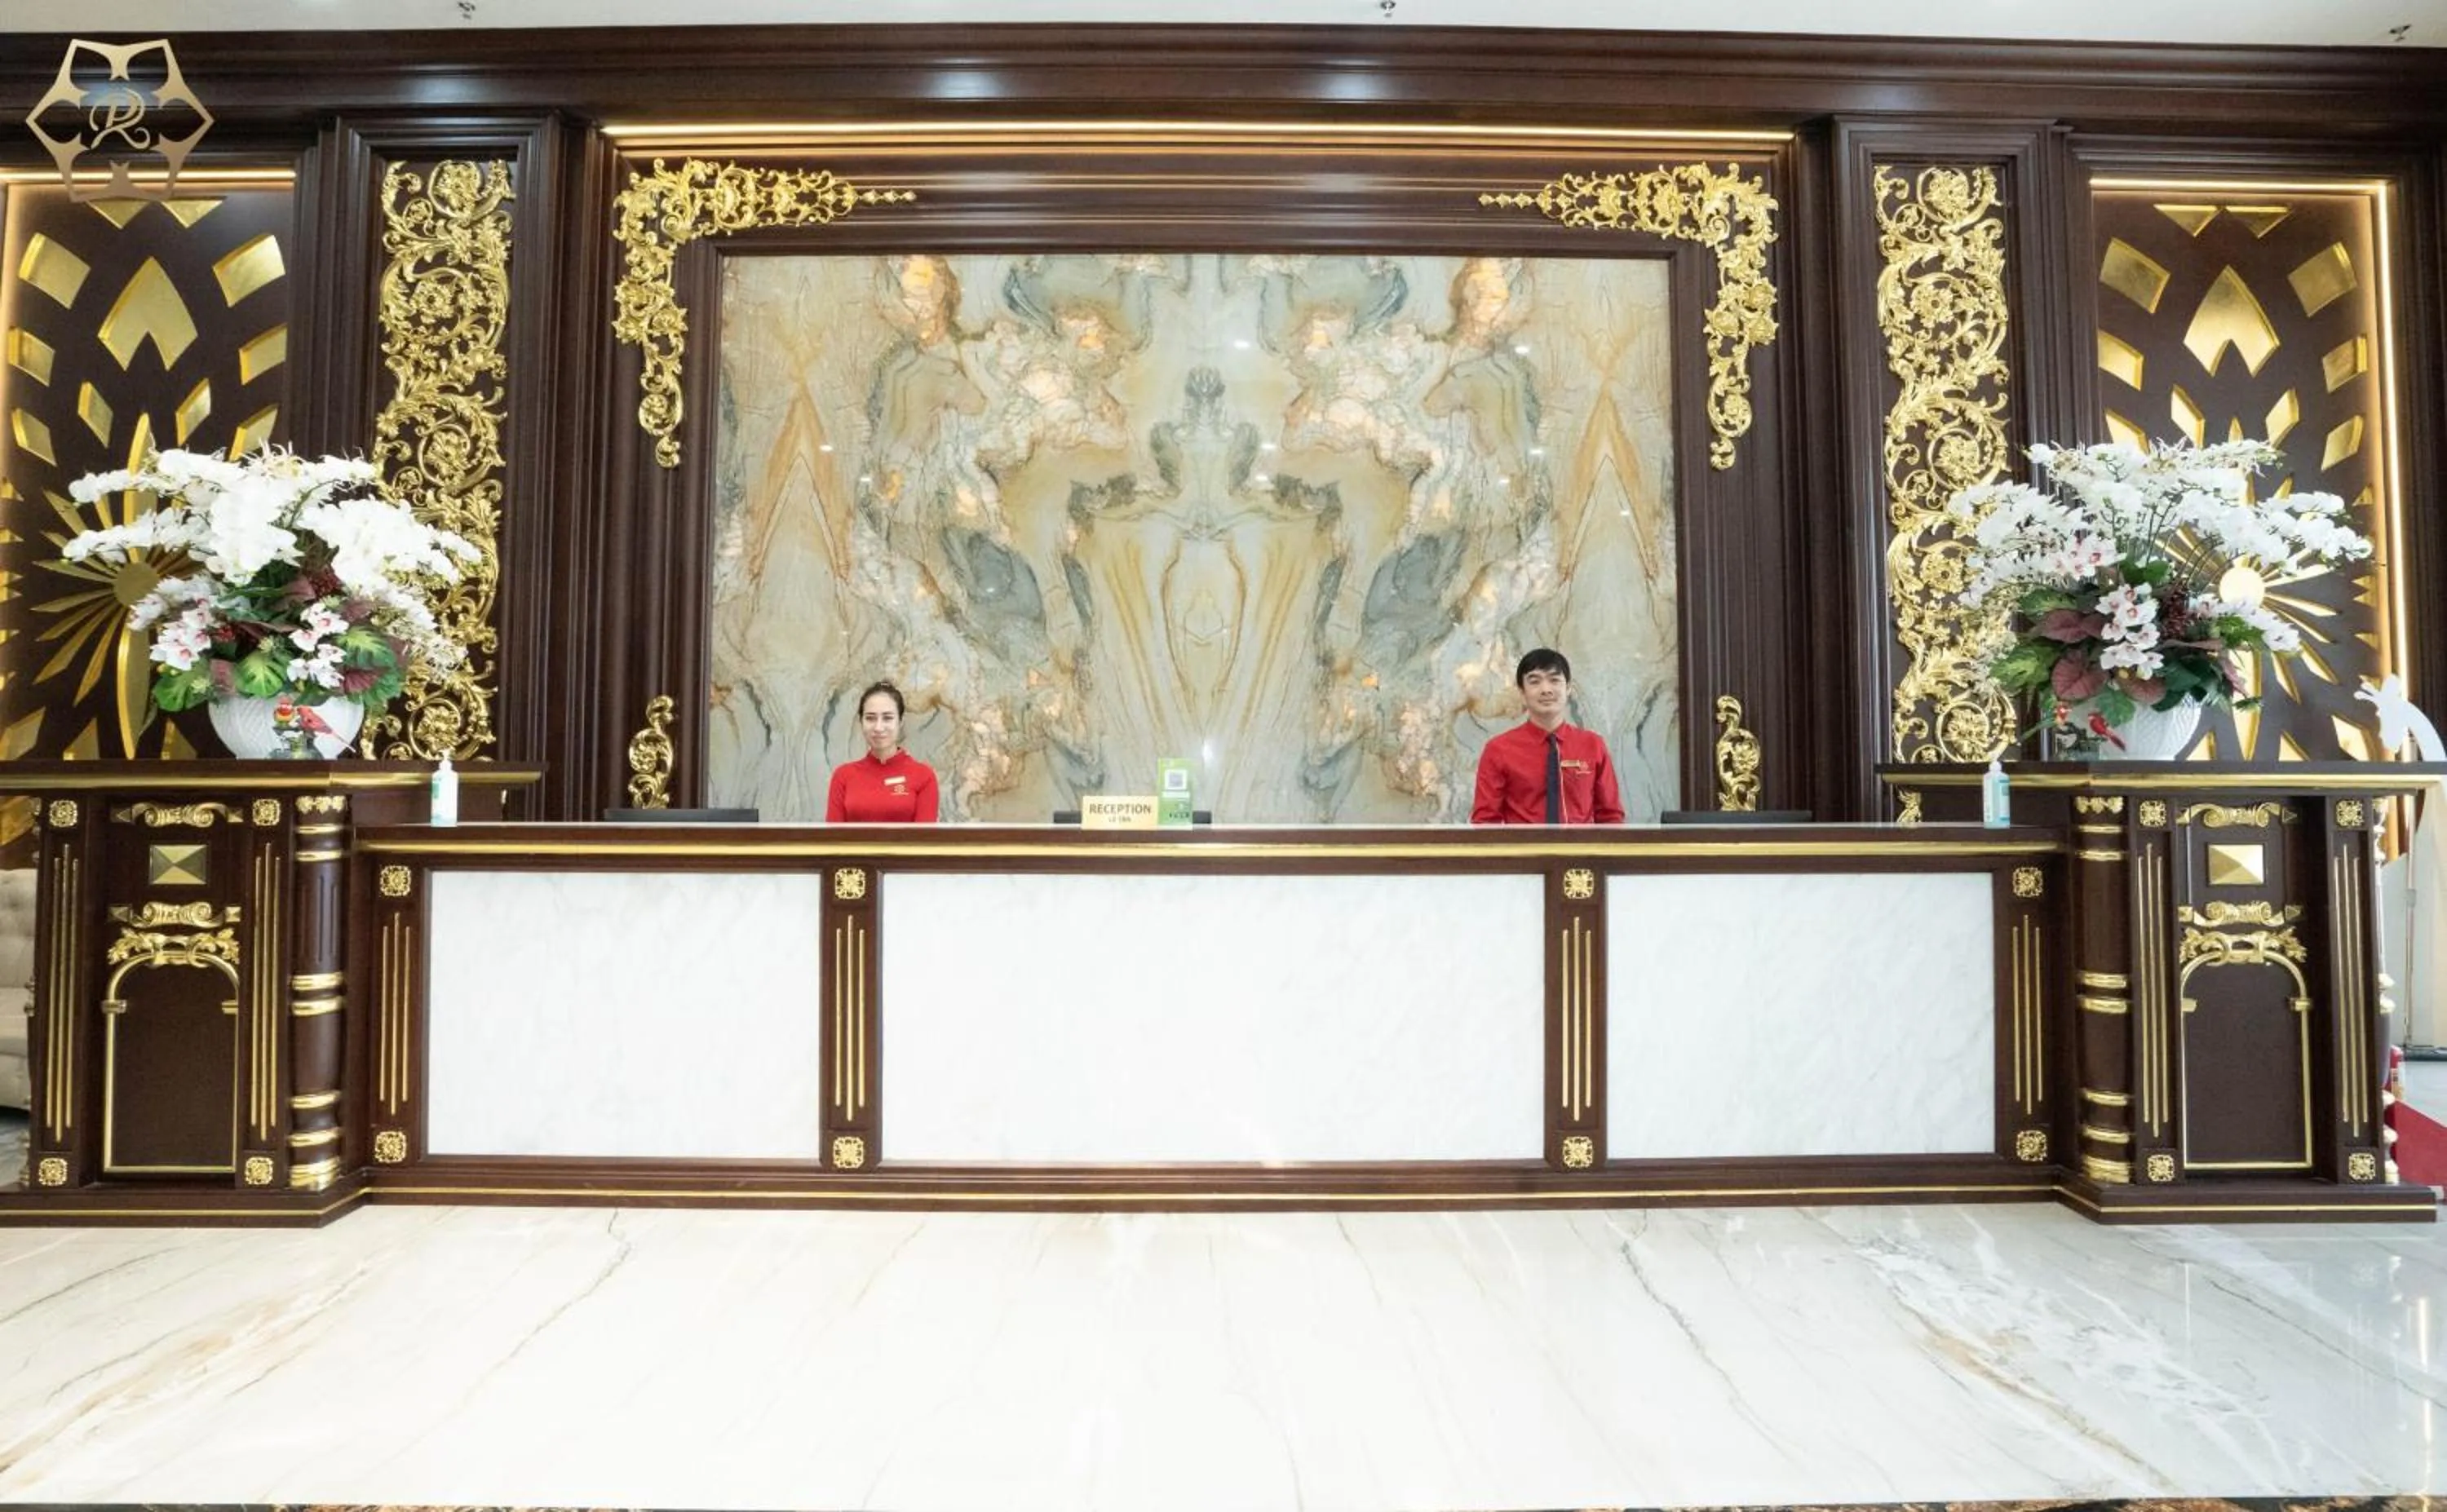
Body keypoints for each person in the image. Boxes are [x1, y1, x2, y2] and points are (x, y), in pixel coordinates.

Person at [1470, 648, 1624, 825]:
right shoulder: (1498, 749)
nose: (1546, 690)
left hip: (1582, 851)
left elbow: (1610, 816)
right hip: (1523, 851)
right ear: (1521, 692)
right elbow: (1486, 821)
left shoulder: (1593, 745)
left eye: (1554, 680)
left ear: (1568, 689)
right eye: (1535, 682)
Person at [826, 681, 940, 822]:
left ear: (900, 722)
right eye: (870, 718)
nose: (879, 727)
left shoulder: (923, 776)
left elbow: (925, 840)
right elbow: (832, 839)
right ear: (861, 722)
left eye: (887, 718)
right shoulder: (843, 776)